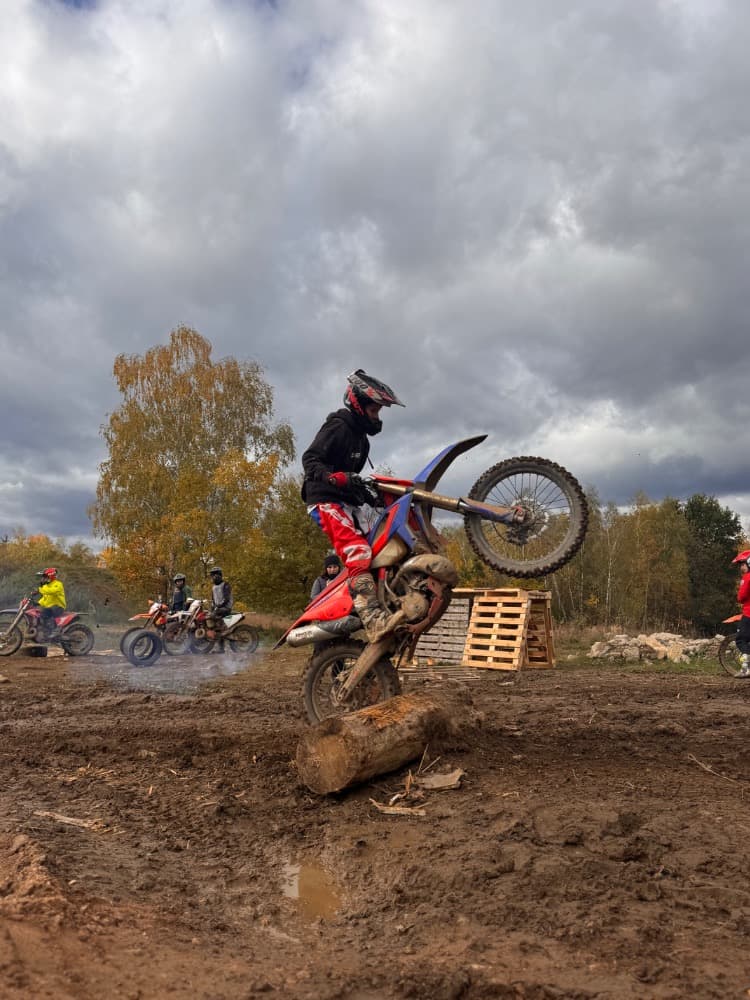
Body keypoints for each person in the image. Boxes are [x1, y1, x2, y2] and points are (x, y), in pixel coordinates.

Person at [301, 368, 406, 643]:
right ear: (359, 404)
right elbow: (310, 458)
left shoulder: (361, 439)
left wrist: (372, 496)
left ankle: (382, 601)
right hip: (324, 500)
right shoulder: (338, 426)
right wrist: (330, 477)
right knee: (358, 552)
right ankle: (373, 620)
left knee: (382, 539)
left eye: (379, 411)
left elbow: (353, 479)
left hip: (345, 501)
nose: (377, 416)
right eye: (374, 410)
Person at [732, 550, 750, 677]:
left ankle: (745, 669)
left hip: (749, 613)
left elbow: (741, 597)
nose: (741, 567)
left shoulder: (747, 578)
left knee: (740, 640)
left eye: (742, 564)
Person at [36, 567, 66, 639]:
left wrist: (43, 586)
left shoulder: (58, 584)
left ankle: (56, 631)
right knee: (40, 615)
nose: (43, 579)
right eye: (43, 578)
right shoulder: (48, 586)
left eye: (44, 577)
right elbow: (45, 598)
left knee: (49, 611)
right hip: (51, 607)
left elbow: (50, 592)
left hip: (58, 607)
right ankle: (46, 632)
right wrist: (38, 603)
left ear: (50, 576)